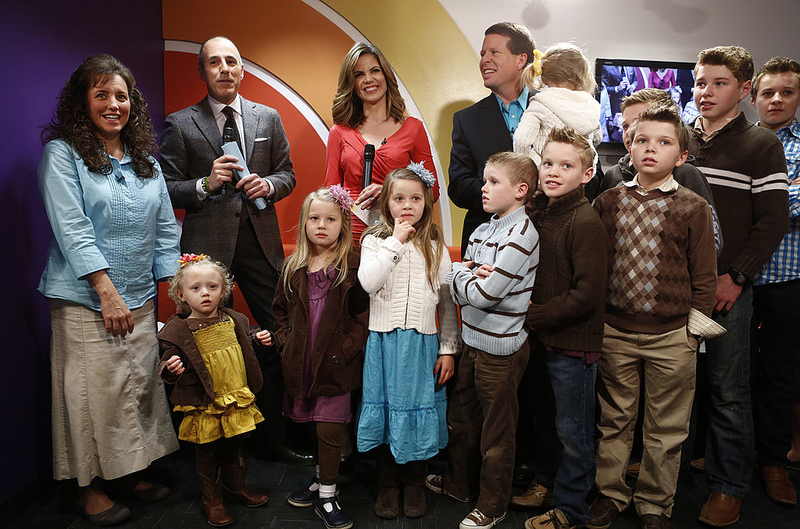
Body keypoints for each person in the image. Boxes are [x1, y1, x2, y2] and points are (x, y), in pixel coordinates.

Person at [38, 54, 180, 526]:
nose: (113, 104)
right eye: (101, 94)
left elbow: (165, 230)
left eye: (121, 95)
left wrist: (172, 289)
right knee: (90, 395)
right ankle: (89, 487)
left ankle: (127, 472)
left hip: (139, 297)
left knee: (134, 390)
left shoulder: (147, 164)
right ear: (84, 102)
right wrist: (105, 288)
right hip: (85, 299)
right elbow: (72, 228)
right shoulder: (62, 154)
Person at [159, 36, 304, 464]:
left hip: (261, 245)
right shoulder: (181, 123)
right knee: (196, 344)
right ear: (202, 72)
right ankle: (201, 443)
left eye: (232, 62)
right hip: (204, 254)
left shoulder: (269, 117)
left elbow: (288, 174)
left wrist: (270, 185)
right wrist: (204, 183)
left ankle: (273, 440)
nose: (224, 69)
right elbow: (164, 189)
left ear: (242, 70)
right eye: (214, 63)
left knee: (276, 334)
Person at [589, 106, 717, 529]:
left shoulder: (693, 206)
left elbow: (704, 274)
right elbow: (597, 266)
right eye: (643, 140)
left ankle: (655, 504)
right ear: (629, 145)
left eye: (664, 143)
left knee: (666, 428)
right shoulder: (609, 201)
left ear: (681, 157)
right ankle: (611, 494)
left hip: (672, 335)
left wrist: (693, 332)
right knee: (614, 420)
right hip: (615, 332)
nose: (651, 149)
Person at [689, 46, 789, 528]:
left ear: (743, 89)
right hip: (674, 289)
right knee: (676, 389)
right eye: (700, 82)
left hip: (728, 287)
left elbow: (771, 222)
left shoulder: (760, 144)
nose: (705, 92)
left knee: (729, 390)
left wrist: (738, 276)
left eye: (718, 83)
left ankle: (729, 488)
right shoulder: (681, 140)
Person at [428, 151, 540, 529]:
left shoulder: (523, 234)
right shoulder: (481, 229)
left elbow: (483, 295)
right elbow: (461, 289)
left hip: (501, 350)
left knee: (497, 433)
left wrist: (462, 274)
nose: (483, 188)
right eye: (484, 179)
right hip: (471, 342)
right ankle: (459, 485)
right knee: (461, 419)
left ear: (521, 190)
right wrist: (469, 274)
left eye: (494, 182)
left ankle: (492, 505)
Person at [357, 165, 459, 520]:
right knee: (387, 410)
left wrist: (448, 349)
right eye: (399, 198)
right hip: (383, 344)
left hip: (421, 346)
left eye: (415, 198)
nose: (407, 205)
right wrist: (395, 242)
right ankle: (387, 483)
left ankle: (414, 481)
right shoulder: (374, 241)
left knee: (417, 410)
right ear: (386, 203)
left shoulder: (435, 245)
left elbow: (446, 303)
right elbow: (369, 283)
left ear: (426, 203)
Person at [268, 186, 370, 529]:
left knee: (330, 429)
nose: (322, 225)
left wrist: (350, 347)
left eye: (331, 219)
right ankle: (319, 478)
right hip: (302, 360)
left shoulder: (351, 263)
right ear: (304, 222)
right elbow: (279, 312)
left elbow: (362, 312)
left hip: (335, 362)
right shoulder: (293, 266)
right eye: (314, 218)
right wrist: (284, 342)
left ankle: (327, 494)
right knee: (314, 425)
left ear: (344, 223)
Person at [523, 128, 608, 529]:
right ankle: (547, 485)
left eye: (566, 165)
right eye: (548, 163)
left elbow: (587, 294)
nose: (554, 172)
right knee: (546, 421)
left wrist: (534, 315)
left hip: (573, 345)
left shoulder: (585, 220)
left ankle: (573, 510)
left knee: (574, 431)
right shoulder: (541, 212)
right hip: (543, 341)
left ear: (587, 174)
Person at [158, 254, 270, 527]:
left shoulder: (235, 319)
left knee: (234, 444)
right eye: (195, 288)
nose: (205, 293)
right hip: (203, 400)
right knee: (206, 451)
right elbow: (166, 360)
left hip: (233, 393)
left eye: (212, 287)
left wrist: (260, 337)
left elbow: (248, 336)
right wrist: (170, 367)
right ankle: (211, 497)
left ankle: (234, 487)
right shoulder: (178, 328)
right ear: (181, 294)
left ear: (224, 290)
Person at [323, 42, 439, 242]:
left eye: (374, 70)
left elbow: (432, 190)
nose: (368, 79)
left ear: (386, 75)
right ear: (351, 84)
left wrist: (388, 192)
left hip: (399, 236)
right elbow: (330, 193)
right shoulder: (339, 132)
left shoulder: (413, 128)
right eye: (359, 74)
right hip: (351, 239)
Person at [749, 56, 800, 507]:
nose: (777, 99)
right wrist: (786, 188)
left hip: (788, 277)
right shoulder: (741, 142)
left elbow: (781, 207)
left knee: (780, 376)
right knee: (729, 374)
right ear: (753, 96)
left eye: (786, 91)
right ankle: (722, 454)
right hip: (738, 277)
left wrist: (768, 197)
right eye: (768, 92)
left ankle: (773, 462)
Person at [586, 88, 722, 255]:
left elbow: (712, 241)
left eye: (638, 122)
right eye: (626, 126)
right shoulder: (613, 176)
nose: (629, 133)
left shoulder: (687, 175)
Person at [448, 22, 537, 255]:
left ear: (521, 60)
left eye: (494, 52)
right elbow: (458, 186)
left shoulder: (552, 108)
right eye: (482, 54)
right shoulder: (466, 120)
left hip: (544, 236)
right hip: (486, 245)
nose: (485, 59)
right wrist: (504, 193)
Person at [514, 42, 602, 167]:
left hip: (548, 176)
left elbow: (522, 140)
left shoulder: (540, 103)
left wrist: (533, 168)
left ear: (543, 78)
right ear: (582, 77)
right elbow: (597, 138)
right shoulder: (591, 105)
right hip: (581, 176)